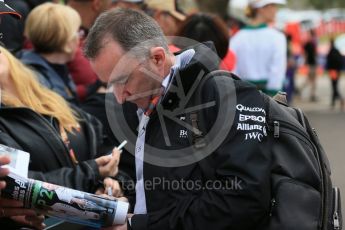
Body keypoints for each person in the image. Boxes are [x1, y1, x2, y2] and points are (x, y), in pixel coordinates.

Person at [84, 8, 272, 230]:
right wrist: (123, 200)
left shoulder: (227, 95)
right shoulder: (143, 101)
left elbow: (243, 201)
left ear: (157, 58)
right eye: (109, 84)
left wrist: (139, 225)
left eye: (122, 80)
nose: (118, 96)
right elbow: (163, 194)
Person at [0, 46, 129, 198]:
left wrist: (111, 182)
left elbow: (100, 145)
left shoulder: (48, 97)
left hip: (95, 211)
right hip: (53, 220)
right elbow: (19, 184)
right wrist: (91, 172)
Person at [19, 3, 80, 104]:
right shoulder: (37, 79)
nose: (79, 39)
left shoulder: (56, 67)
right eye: (77, 33)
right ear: (67, 41)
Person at [230, 0, 287, 96]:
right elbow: (277, 71)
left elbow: (233, 71)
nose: (275, 10)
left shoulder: (236, 38)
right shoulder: (277, 37)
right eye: (272, 5)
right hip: (268, 96)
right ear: (261, 9)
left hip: (243, 96)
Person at [326, 38, 344, 110]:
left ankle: (339, 100)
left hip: (333, 71)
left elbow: (329, 62)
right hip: (338, 71)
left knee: (334, 86)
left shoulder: (331, 51)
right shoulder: (337, 51)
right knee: (335, 86)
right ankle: (333, 102)